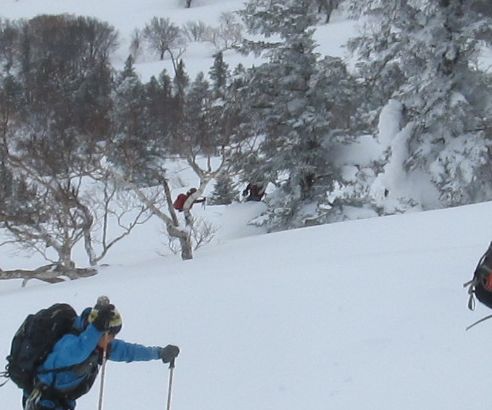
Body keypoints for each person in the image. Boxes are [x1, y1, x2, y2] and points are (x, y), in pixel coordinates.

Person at [23, 297, 180, 410]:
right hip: (42, 402)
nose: (112, 339)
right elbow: (78, 352)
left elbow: (128, 351)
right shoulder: (69, 344)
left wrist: (159, 353)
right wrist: (96, 329)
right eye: (111, 335)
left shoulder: (98, 345)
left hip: (63, 402)